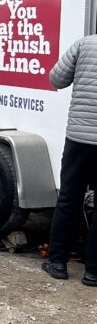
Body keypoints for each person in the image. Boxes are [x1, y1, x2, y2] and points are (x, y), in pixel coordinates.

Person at [42, 34, 97, 286]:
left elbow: (56, 78)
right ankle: (93, 272)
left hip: (79, 139)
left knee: (69, 200)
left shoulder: (84, 44)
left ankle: (57, 263)